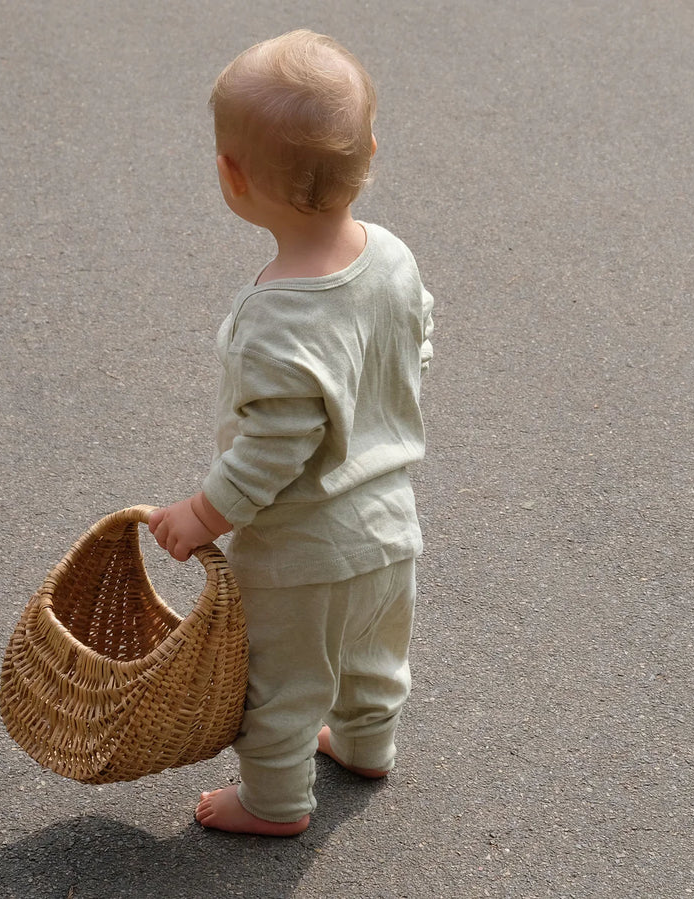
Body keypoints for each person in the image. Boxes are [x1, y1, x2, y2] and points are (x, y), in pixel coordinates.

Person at [149, 28, 434, 836]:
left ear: (232, 178)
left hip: (304, 552)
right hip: (390, 527)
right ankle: (366, 744)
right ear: (371, 149)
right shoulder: (392, 258)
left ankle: (274, 802)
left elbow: (275, 448)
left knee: (279, 680)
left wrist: (202, 514)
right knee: (373, 658)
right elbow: (417, 335)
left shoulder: (276, 316)